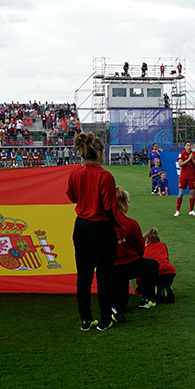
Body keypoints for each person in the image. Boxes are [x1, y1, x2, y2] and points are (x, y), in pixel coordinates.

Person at [66, 132, 118, 332]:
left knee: (84, 276)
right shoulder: (105, 176)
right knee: (104, 276)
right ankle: (105, 320)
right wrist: (117, 228)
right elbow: (109, 208)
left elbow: (72, 197)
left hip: (81, 227)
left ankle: (86, 320)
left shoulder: (75, 174)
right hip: (101, 227)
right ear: (100, 153)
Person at [110, 187, 158, 324]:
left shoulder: (103, 224)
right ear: (123, 204)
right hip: (131, 265)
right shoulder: (131, 223)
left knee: (121, 304)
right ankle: (146, 298)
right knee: (153, 265)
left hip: (112, 268)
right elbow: (140, 249)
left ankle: (114, 308)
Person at [140, 228, 175, 304]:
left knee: (153, 280)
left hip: (157, 273)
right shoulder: (163, 245)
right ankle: (166, 286)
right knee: (164, 279)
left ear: (147, 240)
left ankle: (157, 290)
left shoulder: (145, 249)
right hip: (169, 271)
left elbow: (143, 267)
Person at [175, 141, 195, 217]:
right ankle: (177, 210)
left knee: (192, 193)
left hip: (192, 177)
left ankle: (191, 210)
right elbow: (180, 164)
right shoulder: (182, 154)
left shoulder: (194, 154)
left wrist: (192, 160)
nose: (189, 147)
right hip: (183, 176)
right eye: (187, 145)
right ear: (185, 147)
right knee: (181, 193)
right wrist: (188, 159)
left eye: (190, 145)